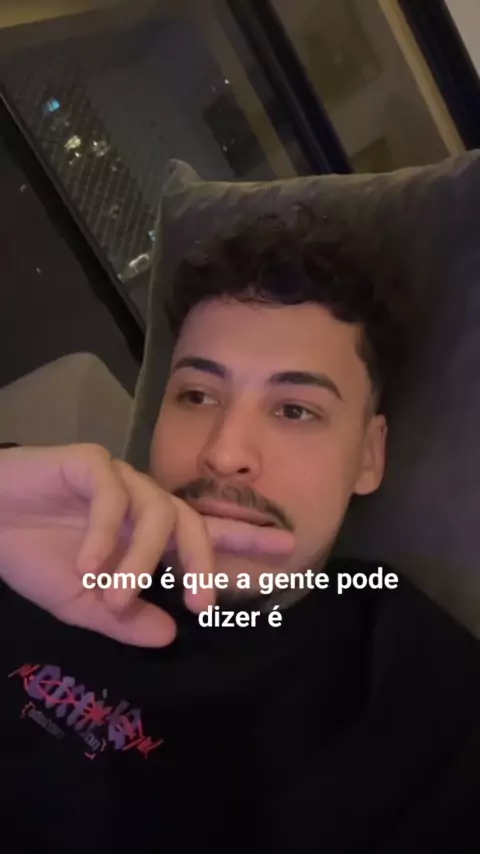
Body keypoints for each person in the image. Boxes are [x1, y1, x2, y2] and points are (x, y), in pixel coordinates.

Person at [0, 210, 479, 854]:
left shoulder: (420, 695)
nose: (224, 454)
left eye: (295, 409)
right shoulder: (31, 532)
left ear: (370, 456)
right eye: (197, 396)